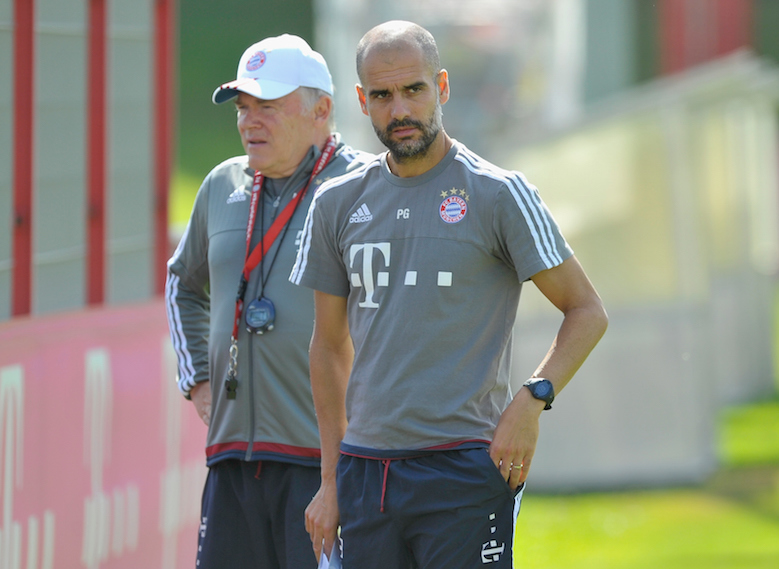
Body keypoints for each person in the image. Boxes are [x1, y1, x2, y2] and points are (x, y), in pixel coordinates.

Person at [290, 20, 608, 568]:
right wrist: (331, 478)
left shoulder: (499, 193)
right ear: (363, 101)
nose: (400, 109)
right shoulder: (335, 204)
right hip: (366, 473)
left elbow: (587, 311)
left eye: (413, 89)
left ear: (441, 86)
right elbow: (328, 347)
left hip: (462, 466)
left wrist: (531, 401)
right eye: (383, 96)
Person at [164, 34, 372, 569]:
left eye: (268, 106)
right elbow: (182, 282)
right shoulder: (221, 184)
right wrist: (198, 378)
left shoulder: (367, 185)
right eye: (242, 107)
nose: (249, 122)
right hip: (233, 460)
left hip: (330, 464)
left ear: (321, 110)